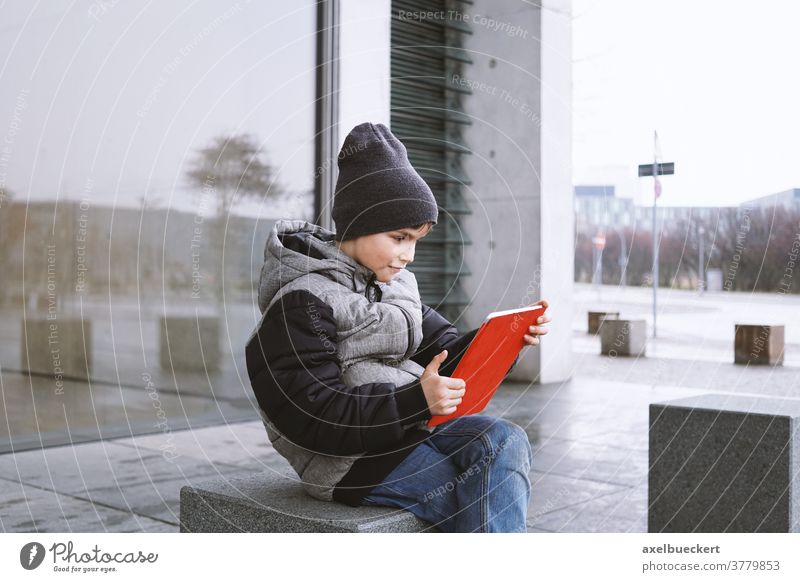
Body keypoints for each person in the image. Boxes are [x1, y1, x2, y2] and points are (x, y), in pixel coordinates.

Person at [245, 122, 550, 532]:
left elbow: (446, 352)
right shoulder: (303, 302)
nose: (408, 255)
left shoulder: (393, 286)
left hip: (410, 432)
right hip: (351, 463)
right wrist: (416, 401)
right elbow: (310, 413)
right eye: (399, 237)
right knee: (480, 490)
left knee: (505, 440)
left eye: (416, 240)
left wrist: (504, 342)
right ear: (357, 223)